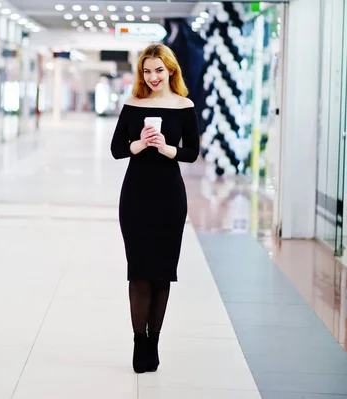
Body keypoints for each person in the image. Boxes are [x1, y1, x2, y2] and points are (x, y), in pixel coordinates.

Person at [110, 44, 200, 374]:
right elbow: (117, 149)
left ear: (171, 71)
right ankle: (138, 342)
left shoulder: (184, 105)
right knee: (139, 273)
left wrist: (166, 148)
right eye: (147, 71)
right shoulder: (133, 104)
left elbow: (192, 152)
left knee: (162, 274)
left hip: (169, 198)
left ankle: (154, 341)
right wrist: (141, 144)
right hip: (135, 197)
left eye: (159, 70)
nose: (152, 77)